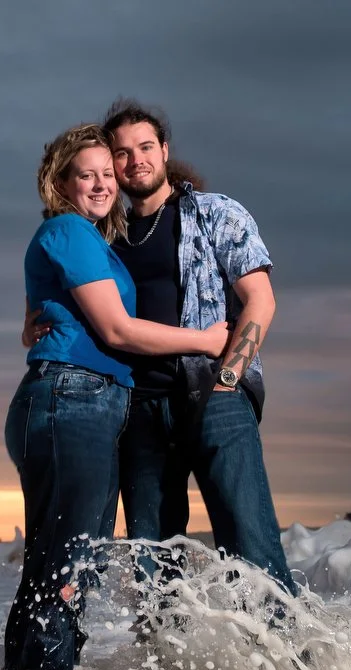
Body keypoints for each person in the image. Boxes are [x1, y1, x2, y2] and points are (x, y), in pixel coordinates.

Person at [23, 100, 299, 601]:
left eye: (146, 147)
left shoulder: (215, 213)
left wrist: (229, 377)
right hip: (139, 411)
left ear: (165, 151)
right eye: (122, 154)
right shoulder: (108, 235)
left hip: (213, 394)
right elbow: (70, 287)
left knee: (251, 547)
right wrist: (34, 319)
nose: (135, 161)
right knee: (152, 565)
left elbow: (260, 299)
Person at [2, 123, 229, 670]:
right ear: (62, 182)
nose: (103, 184)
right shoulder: (70, 230)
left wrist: (30, 325)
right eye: (88, 174)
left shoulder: (84, 241)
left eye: (109, 173)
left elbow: (42, 313)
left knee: (59, 560)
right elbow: (116, 329)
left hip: (78, 401)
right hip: (72, 400)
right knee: (71, 560)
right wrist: (203, 341)